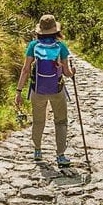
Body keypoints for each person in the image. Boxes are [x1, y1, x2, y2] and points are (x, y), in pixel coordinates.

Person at [14, 14, 75, 166]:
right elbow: (67, 73)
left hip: (38, 90)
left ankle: (37, 150)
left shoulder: (33, 46)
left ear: (40, 30)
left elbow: (26, 69)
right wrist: (73, 72)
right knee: (60, 122)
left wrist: (19, 91)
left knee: (38, 121)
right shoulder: (61, 46)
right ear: (55, 30)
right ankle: (60, 155)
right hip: (57, 90)